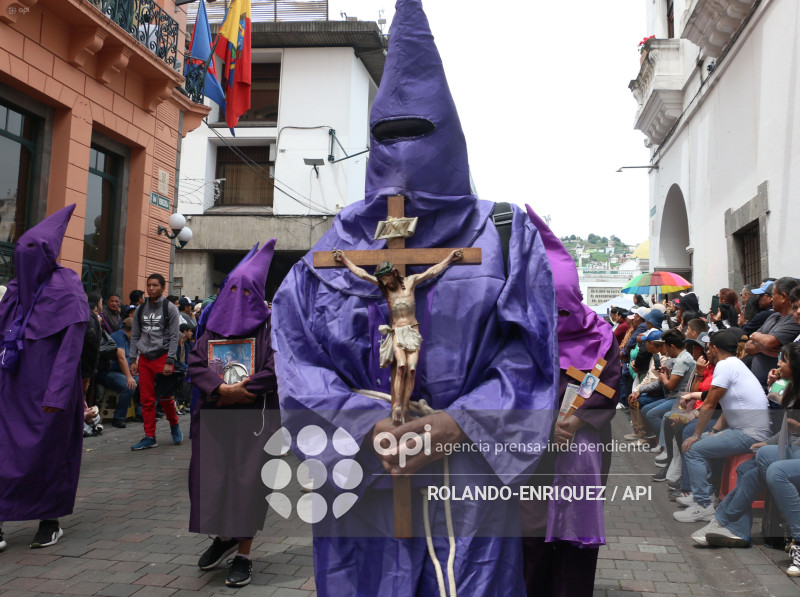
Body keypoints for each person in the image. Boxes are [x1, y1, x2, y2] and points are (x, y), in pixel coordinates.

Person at [271, 1, 559, 593]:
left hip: (467, 486)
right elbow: (296, 359)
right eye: (388, 136)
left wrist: (457, 423)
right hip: (364, 487)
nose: (403, 153)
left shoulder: (502, 236)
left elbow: (530, 354)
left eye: (418, 132)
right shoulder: (335, 246)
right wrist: (369, 426)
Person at [521, 207, 620, 597]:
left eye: (562, 308)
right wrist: (545, 425)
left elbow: (610, 384)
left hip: (582, 448)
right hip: (531, 449)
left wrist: (576, 421)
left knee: (574, 534)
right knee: (530, 534)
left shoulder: (601, 337)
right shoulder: (525, 336)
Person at [188, 240, 280, 589]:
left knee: (248, 484)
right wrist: (220, 388)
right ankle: (223, 537)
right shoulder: (212, 327)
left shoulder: (270, 325)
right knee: (212, 480)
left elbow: (275, 367)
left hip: (254, 421)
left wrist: (244, 390)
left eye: (246, 290)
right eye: (232, 288)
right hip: (215, 416)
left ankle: (243, 553)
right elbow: (195, 363)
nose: (238, 295)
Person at [0, 205, 89, 549]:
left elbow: (70, 350)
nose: (25, 256)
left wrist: (57, 394)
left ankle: (49, 519)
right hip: (12, 390)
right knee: (6, 454)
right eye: (21, 248)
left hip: (50, 393)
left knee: (49, 454)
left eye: (33, 250)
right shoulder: (14, 292)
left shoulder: (67, 290)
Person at [691, 343, 800, 567]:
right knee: (747, 467)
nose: (778, 364)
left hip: (793, 445)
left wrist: (792, 429)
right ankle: (738, 530)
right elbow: (780, 410)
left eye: (784, 361)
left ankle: (721, 519)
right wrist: (776, 385)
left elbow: (791, 427)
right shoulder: (789, 386)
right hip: (789, 443)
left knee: (768, 463)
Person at [333, 249, 463, 424]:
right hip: (397, 332)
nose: (386, 282)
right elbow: (363, 274)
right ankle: (397, 407)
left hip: (412, 331)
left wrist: (449, 259)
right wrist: (345, 260)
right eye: (383, 280)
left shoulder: (410, 282)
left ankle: (405, 405)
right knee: (400, 365)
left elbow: (431, 271)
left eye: (387, 278)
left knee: (411, 368)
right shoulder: (386, 290)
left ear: (394, 273)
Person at [675, 330, 771, 523]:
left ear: (714, 348)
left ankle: (703, 506)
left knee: (693, 449)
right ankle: (705, 495)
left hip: (750, 435)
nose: (706, 352)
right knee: (701, 443)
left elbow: (710, 404)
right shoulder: (735, 364)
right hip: (744, 430)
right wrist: (713, 431)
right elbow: (728, 409)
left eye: (708, 347)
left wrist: (696, 435)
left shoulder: (725, 366)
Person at [129, 273, 183, 450]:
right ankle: (149, 436)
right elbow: (135, 336)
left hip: (163, 357)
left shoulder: (170, 309)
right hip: (145, 359)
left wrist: (169, 360)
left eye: (155, 285)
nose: (151, 288)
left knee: (166, 397)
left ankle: (174, 425)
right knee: (146, 399)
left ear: (162, 288)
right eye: (149, 285)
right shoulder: (140, 309)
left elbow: (175, 337)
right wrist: (133, 359)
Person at [745, 277, 800, 389]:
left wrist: (757, 339)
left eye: (773, 295)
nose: (771, 299)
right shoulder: (773, 316)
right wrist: (759, 345)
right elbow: (747, 346)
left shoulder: (793, 321)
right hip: (767, 385)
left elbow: (769, 342)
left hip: (779, 387)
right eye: (795, 308)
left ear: (783, 297)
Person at [96, 317, 138, 428]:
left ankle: (140, 413)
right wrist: (129, 377)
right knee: (128, 386)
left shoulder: (129, 339)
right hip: (109, 373)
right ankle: (119, 418)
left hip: (122, 373)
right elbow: (121, 358)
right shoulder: (118, 337)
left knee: (146, 381)